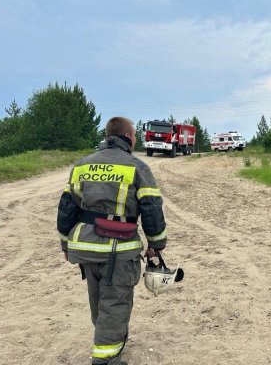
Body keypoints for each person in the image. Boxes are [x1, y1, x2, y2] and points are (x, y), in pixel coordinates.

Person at [57, 117, 167, 365]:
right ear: (128, 136)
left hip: (85, 248)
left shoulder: (82, 165)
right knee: (115, 303)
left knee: (99, 302)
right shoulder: (137, 167)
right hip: (118, 248)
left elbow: (66, 208)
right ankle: (105, 360)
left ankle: (107, 339)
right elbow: (151, 208)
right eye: (135, 136)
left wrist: (65, 244)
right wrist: (156, 244)